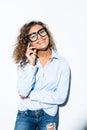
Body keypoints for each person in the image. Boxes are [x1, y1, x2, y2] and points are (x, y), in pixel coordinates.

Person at [13, 20, 71, 130]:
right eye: (33, 36)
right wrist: (31, 64)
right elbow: (23, 91)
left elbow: (60, 97)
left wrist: (31, 95)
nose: (39, 37)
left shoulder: (62, 64)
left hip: (48, 115)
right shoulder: (24, 63)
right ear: (28, 42)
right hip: (25, 114)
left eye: (41, 32)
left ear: (47, 33)